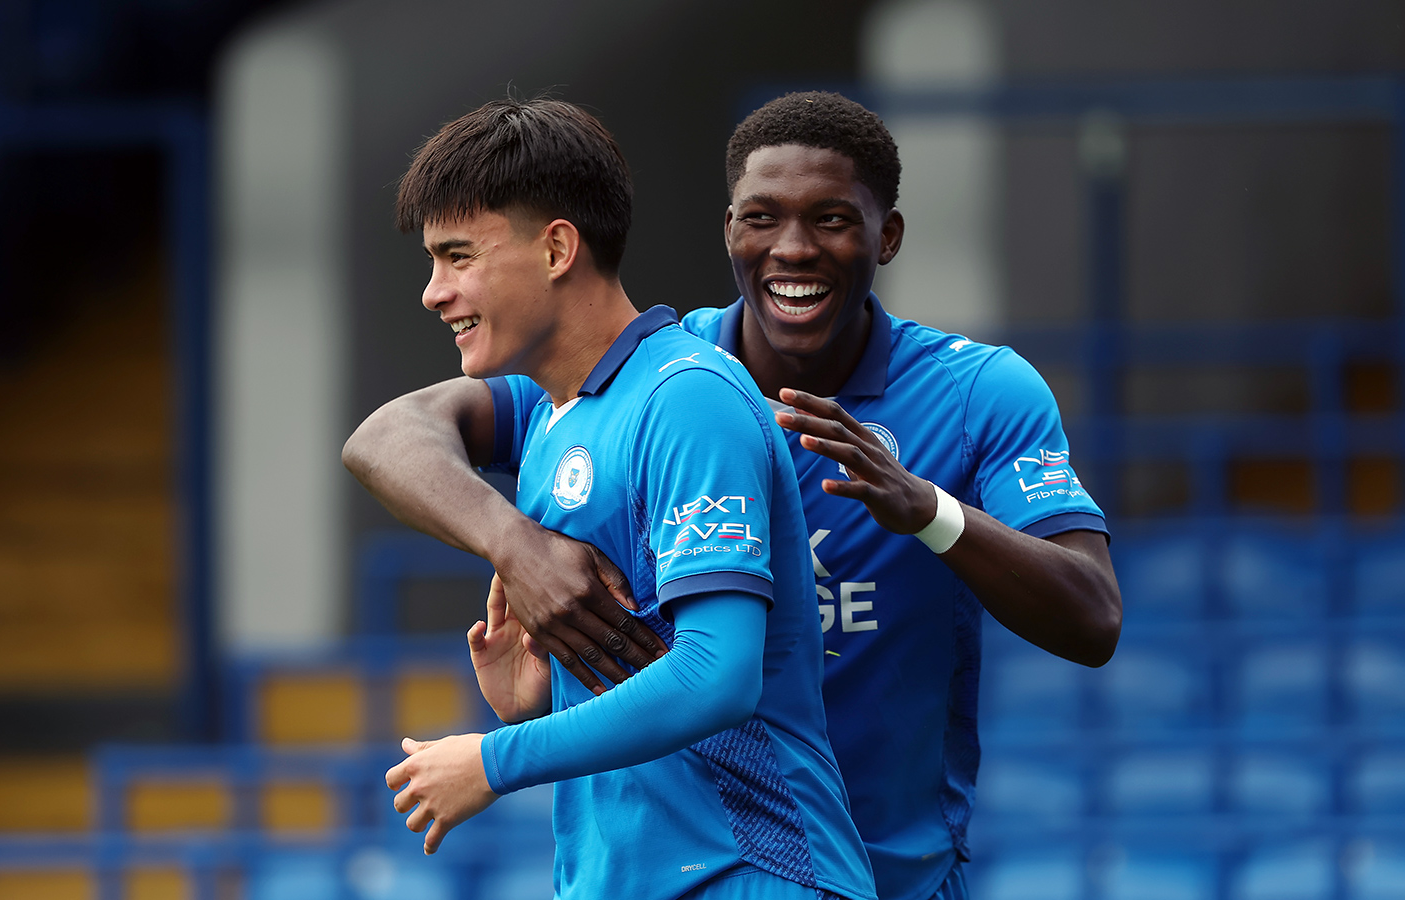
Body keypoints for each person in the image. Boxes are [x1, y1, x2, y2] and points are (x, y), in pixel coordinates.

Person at [345, 91, 1123, 900]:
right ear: (728, 230)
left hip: (858, 866)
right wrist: (524, 557)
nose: (792, 249)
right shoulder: (594, 392)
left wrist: (929, 512)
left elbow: (1092, 615)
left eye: (830, 220)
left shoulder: (960, 394)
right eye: (761, 218)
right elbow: (386, 439)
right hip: (703, 845)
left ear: (886, 236)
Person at [359, 96, 876, 900]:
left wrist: (496, 762)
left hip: (757, 876)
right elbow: (373, 442)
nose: (434, 291)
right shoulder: (559, 418)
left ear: (558, 247)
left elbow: (720, 673)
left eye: (458, 256)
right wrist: (551, 693)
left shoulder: (686, 397)